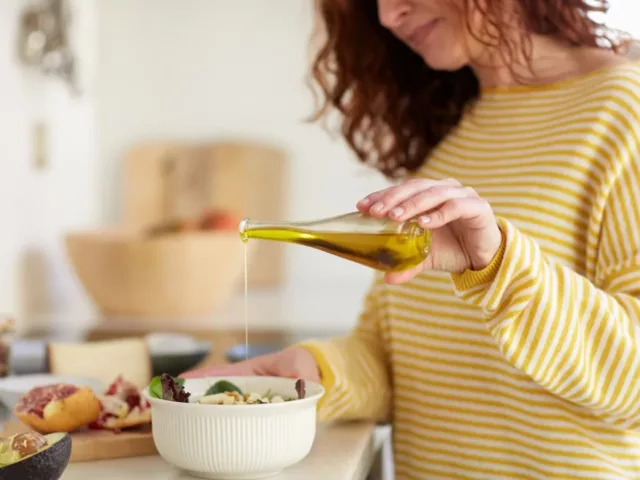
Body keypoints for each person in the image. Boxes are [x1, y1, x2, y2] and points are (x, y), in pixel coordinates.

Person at [183, 0, 640, 478]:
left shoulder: (624, 112)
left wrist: (500, 266)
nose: (387, 15)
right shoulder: (455, 140)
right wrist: (313, 373)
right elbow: (398, 363)